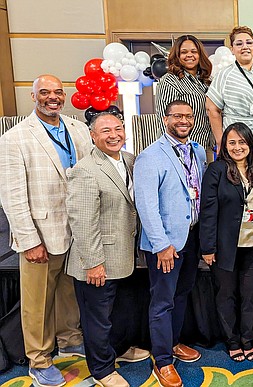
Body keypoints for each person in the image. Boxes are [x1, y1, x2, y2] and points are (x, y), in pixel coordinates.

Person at [0, 75, 90, 387]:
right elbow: (12, 196)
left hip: (75, 230)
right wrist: (28, 240)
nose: (52, 97)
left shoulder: (77, 128)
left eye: (57, 92)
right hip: (40, 234)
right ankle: (38, 360)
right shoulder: (15, 138)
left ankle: (68, 340)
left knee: (68, 293)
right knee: (37, 302)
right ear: (33, 96)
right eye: (45, 93)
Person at [66, 112, 150, 387]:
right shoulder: (86, 170)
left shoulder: (129, 159)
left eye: (117, 129)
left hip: (124, 255)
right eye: (105, 131)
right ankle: (102, 369)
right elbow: (82, 220)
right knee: (97, 320)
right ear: (93, 136)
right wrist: (93, 263)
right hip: (98, 260)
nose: (113, 135)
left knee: (120, 312)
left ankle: (120, 350)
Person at [134, 100, 207, 387]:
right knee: (163, 301)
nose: (183, 120)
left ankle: (174, 343)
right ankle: (162, 360)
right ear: (165, 119)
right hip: (166, 244)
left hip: (191, 237)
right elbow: (146, 206)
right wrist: (161, 245)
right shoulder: (150, 156)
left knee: (181, 295)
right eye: (177, 116)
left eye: (188, 116)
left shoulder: (198, 151)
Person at [199, 122, 253, 362]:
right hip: (224, 249)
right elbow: (207, 211)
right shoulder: (216, 170)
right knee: (226, 295)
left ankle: (248, 340)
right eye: (232, 142)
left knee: (250, 295)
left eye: (242, 142)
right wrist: (207, 248)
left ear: (250, 144)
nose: (237, 147)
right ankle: (232, 341)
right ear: (224, 146)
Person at [206, 26, 253, 166]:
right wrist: (220, 141)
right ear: (232, 49)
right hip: (237, 138)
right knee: (238, 178)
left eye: (249, 42)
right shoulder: (224, 75)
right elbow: (212, 109)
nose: (245, 47)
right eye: (239, 44)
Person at [156, 35, 214, 161]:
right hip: (180, 149)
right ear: (177, 55)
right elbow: (164, 119)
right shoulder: (169, 81)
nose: (189, 55)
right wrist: (175, 150)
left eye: (194, 51)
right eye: (184, 52)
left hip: (204, 147)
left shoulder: (206, 81)